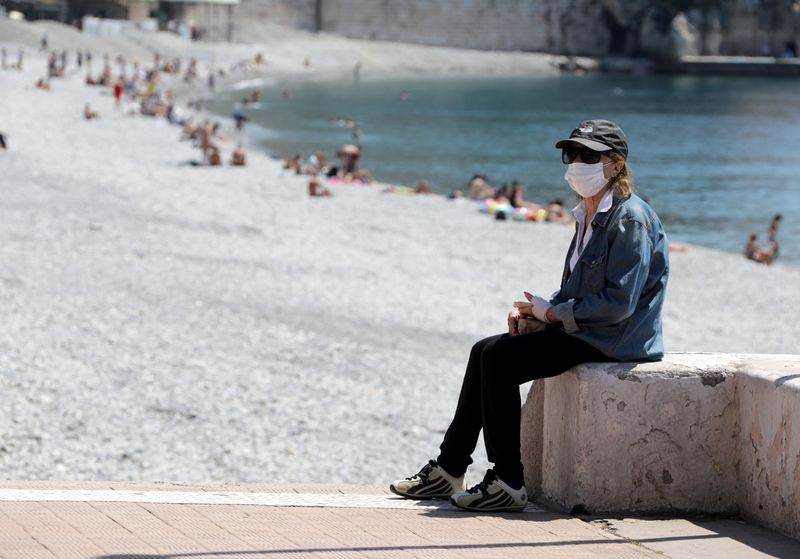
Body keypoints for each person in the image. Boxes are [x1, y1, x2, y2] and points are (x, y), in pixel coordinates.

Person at [389, 120, 669, 512]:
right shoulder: (589, 213)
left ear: (616, 164)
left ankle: (507, 480)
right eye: (571, 154)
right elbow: (579, 291)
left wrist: (554, 315)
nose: (575, 162)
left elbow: (618, 304)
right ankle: (450, 469)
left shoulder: (629, 219)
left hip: (614, 338)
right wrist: (538, 311)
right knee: (482, 349)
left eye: (588, 155)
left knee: (500, 359)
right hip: (589, 329)